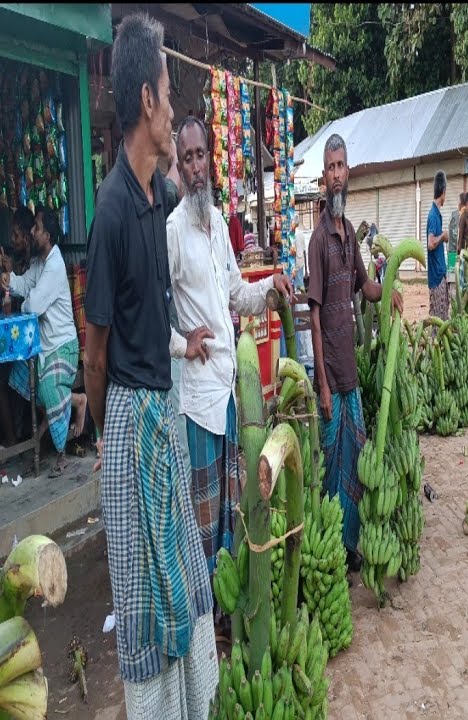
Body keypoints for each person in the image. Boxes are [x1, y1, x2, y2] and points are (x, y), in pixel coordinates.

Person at [83, 14, 217, 716]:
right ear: (145, 102)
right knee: (142, 592)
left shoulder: (158, 198)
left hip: (164, 412)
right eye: (166, 94)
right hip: (134, 421)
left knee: (183, 580)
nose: (172, 108)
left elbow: (182, 193)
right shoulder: (107, 212)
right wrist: (109, 435)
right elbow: (94, 355)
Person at [165, 115, 293, 580]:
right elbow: (150, 308)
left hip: (229, 392)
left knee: (232, 510)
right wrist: (181, 344)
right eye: (187, 159)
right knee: (204, 516)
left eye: (201, 156)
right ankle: (207, 618)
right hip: (198, 398)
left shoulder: (218, 223)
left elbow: (236, 293)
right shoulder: (173, 231)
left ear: (211, 161)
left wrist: (270, 289)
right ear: (179, 166)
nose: (196, 166)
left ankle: (227, 615)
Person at [306, 133, 402, 571]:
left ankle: (352, 544)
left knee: (356, 460)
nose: (338, 174)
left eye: (342, 166)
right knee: (332, 469)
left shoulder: (349, 233)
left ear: (349, 172)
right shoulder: (319, 239)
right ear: (324, 177)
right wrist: (322, 385)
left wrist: (391, 291)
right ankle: (333, 550)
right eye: (331, 168)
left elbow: (366, 286)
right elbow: (314, 313)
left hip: (351, 371)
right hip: (330, 375)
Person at [3, 205, 87, 465]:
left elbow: (33, 305)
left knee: (48, 389)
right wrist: (8, 280)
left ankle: (60, 453)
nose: (32, 231)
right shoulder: (41, 263)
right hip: (46, 348)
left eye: (36, 228)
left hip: (64, 347)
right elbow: (25, 283)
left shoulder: (54, 266)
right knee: (19, 374)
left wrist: (23, 296)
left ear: (47, 235)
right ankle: (76, 401)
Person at [425, 171, 450, 322]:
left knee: (443, 316)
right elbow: (431, 243)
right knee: (438, 320)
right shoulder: (433, 215)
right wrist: (443, 236)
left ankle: (438, 344)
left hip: (440, 274)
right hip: (436, 277)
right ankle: (435, 345)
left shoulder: (436, 214)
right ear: (443, 191)